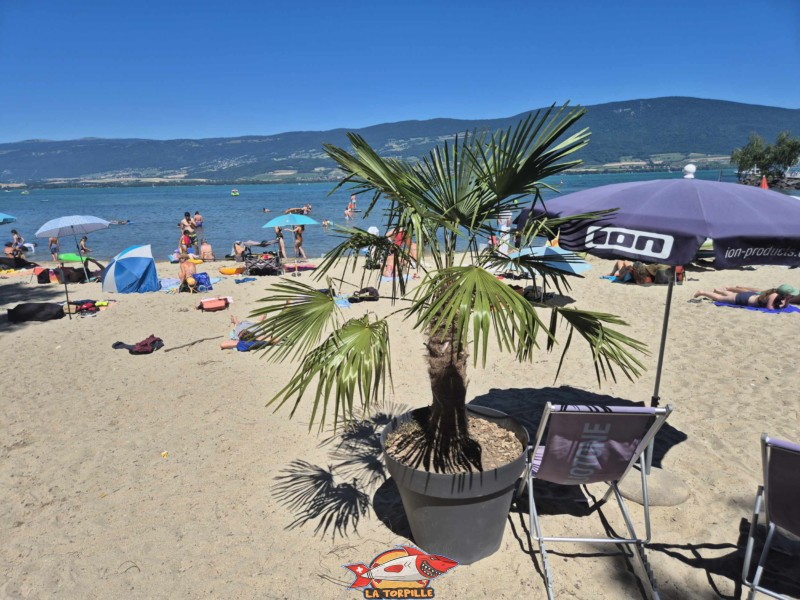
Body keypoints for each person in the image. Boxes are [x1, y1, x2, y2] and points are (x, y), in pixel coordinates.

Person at [693, 285, 797, 309]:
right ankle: (702, 292)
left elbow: (784, 306)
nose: (792, 296)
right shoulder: (774, 296)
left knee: (732, 295)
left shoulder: (777, 294)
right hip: (744, 299)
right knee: (719, 299)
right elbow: (770, 308)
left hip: (749, 296)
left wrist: (787, 300)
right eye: (790, 295)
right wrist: (785, 303)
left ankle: (721, 291)